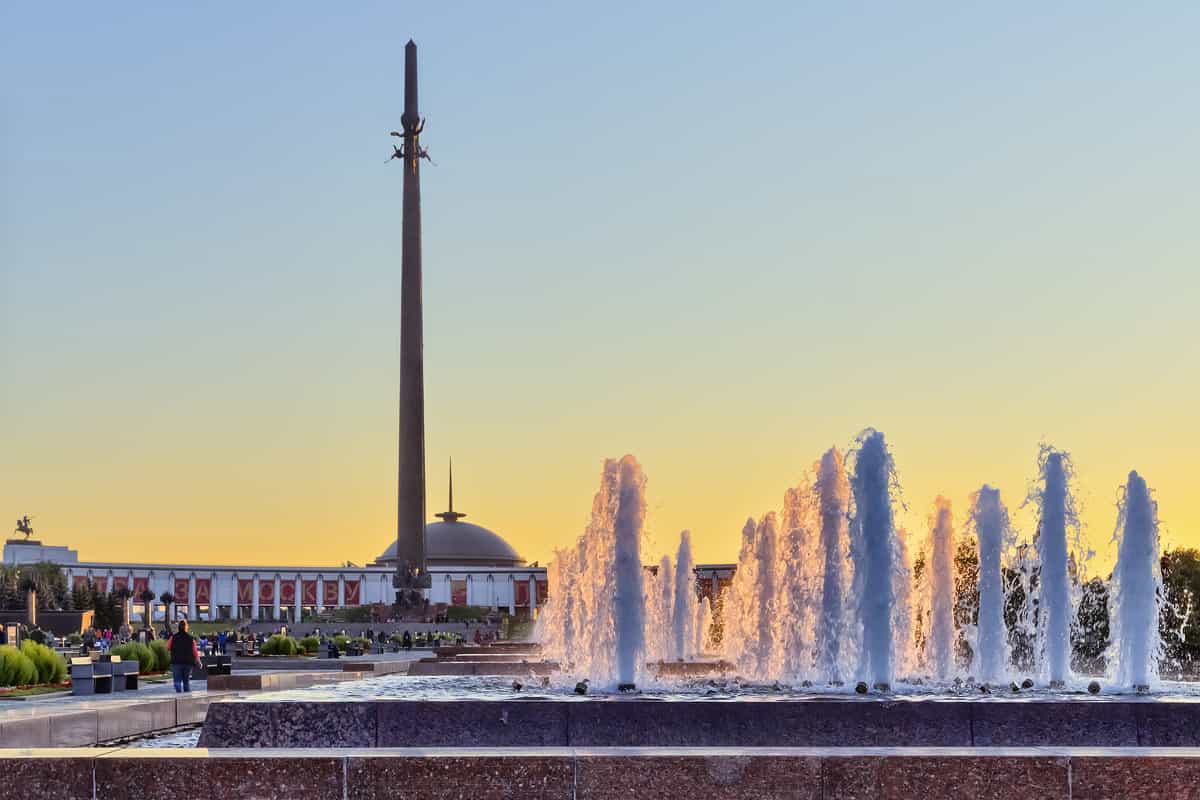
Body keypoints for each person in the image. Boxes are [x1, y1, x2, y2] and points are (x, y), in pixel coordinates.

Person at [167, 619, 199, 693]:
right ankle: (186, 697)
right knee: (186, 681)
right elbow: (195, 652)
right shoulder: (191, 639)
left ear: (178, 627)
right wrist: (199, 661)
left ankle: (178, 693)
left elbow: (167, 647)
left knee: (177, 680)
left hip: (176, 662)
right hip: (188, 663)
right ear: (186, 627)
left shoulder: (173, 638)